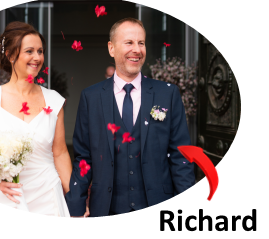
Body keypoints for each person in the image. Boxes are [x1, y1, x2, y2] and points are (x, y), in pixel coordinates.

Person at [65, 18, 195, 217]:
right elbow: (84, 158)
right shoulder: (90, 97)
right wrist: (75, 207)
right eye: (129, 43)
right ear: (111, 48)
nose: (137, 49)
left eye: (141, 43)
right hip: (106, 210)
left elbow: (180, 156)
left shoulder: (167, 94)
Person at [0, 21, 72, 217]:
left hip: (47, 197)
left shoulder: (54, 101)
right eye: (30, 51)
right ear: (10, 55)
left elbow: (60, 153)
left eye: (40, 51)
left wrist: (75, 197)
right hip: (4, 197)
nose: (37, 57)